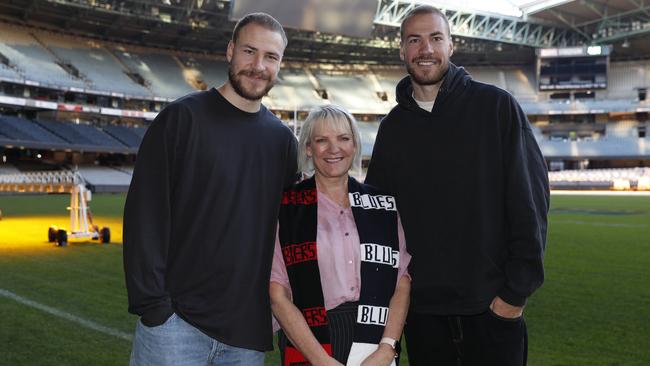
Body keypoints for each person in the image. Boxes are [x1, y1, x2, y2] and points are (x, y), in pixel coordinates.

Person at [365, 5, 550, 366]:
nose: (426, 49)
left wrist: (513, 297)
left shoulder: (496, 108)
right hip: (423, 318)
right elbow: (380, 221)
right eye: (414, 40)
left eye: (436, 38)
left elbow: (531, 202)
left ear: (451, 46)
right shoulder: (392, 129)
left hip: (491, 312)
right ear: (402, 50)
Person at [123, 12, 297, 366]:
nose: (258, 65)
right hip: (176, 327)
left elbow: (286, 235)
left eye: (270, 57)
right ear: (230, 50)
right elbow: (145, 214)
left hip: (247, 334)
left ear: (280, 64)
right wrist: (156, 307)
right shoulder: (182, 119)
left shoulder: (282, 142)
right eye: (249, 51)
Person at [270, 105, 412, 366]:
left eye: (343, 139)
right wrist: (320, 360)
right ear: (309, 149)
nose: (334, 149)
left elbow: (401, 282)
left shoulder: (383, 206)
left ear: (355, 145)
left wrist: (387, 348)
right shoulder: (287, 207)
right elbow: (278, 295)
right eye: (322, 140)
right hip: (312, 341)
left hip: (374, 342)